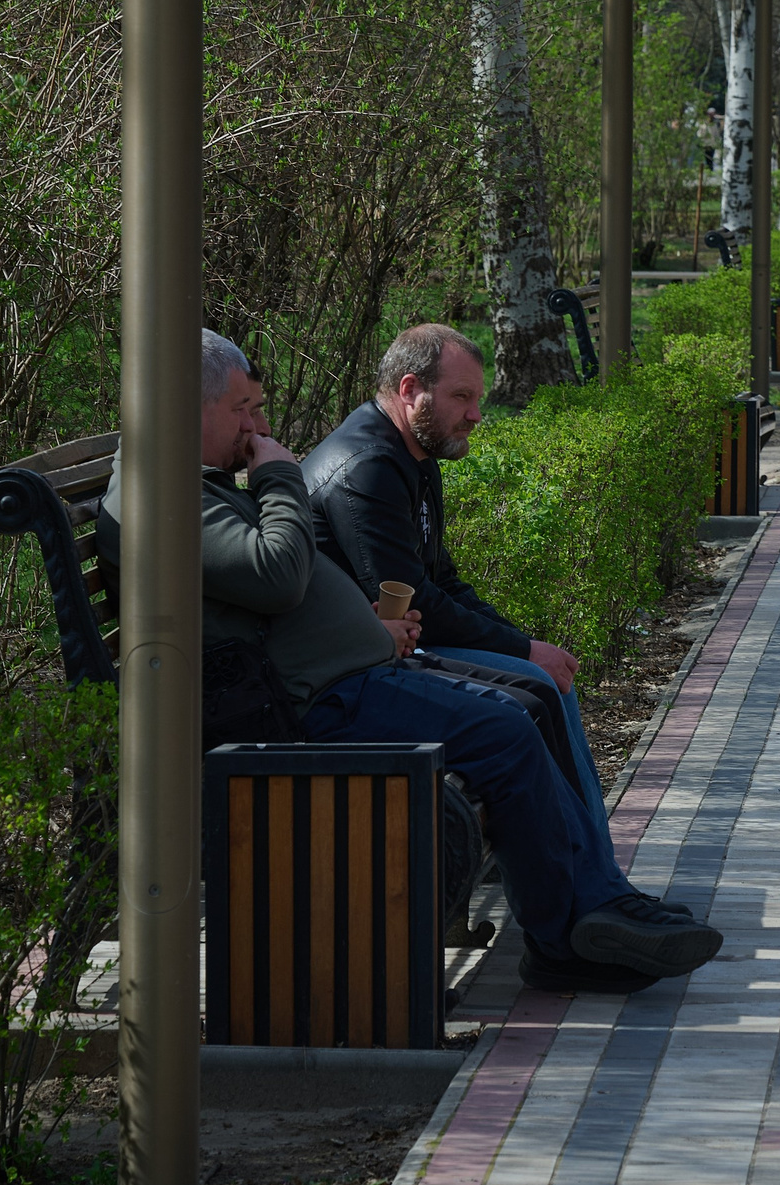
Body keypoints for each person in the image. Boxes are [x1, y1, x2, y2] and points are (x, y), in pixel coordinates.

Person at [116, 331, 718, 995]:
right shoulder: (163, 496)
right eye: (244, 410)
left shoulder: (189, 485)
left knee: (521, 709)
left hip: (348, 676)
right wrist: (276, 476)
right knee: (507, 729)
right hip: (310, 707)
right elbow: (278, 575)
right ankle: (565, 938)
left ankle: (593, 906)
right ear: (186, 409)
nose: (260, 428)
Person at [302, 324, 709, 933]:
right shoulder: (367, 468)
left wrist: (528, 644)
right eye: (463, 398)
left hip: (386, 653)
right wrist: (521, 650)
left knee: (544, 681)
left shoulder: (410, 454)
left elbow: (443, 582)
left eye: (478, 399)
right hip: (357, 675)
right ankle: (590, 899)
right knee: (534, 687)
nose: (476, 415)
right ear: (411, 389)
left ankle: (601, 885)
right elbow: (410, 603)